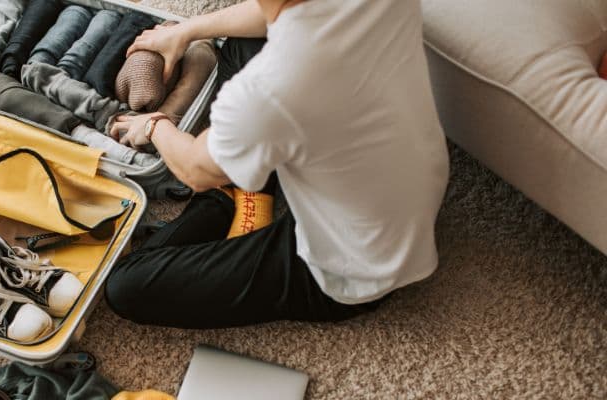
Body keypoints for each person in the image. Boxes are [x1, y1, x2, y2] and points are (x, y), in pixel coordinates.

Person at [105, 0, 450, 329]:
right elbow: (274, 12)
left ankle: (227, 198)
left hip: (356, 268)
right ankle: (242, 176)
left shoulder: (268, 89)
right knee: (243, 44)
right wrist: (186, 31)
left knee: (126, 284)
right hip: (407, 187)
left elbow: (194, 171)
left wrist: (152, 124)